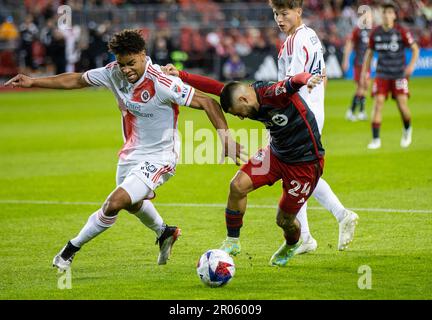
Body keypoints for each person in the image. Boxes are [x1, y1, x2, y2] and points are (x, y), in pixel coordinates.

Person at [4, 29, 244, 271]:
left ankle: (69, 251)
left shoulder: (162, 82)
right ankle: (165, 232)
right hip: (130, 153)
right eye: (121, 64)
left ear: (143, 54)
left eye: (131, 63)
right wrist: (33, 81)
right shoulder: (113, 73)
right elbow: (77, 79)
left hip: (161, 156)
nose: (126, 69)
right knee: (131, 203)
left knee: (114, 203)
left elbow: (208, 102)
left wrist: (226, 138)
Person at [163, 65, 325, 266]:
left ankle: (291, 244)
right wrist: (181, 75)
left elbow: (293, 81)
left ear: (243, 100)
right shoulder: (244, 96)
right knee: (237, 186)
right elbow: (216, 87)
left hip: (305, 163)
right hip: (275, 154)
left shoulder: (272, 94)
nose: (240, 117)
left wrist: (308, 78)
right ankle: (232, 242)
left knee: (284, 220)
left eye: (237, 113)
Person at [269, 0, 359, 254]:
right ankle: (308, 235)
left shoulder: (298, 40)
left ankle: (337, 217)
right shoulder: (308, 36)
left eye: (284, 13)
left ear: (298, 11)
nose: (279, 18)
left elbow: (292, 83)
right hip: (310, 113)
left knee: (296, 173)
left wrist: (279, 119)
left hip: (300, 116)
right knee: (297, 173)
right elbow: (320, 76)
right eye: (276, 13)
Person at [361, 1, 419, 150]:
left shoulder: (401, 31)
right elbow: (369, 53)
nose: (386, 16)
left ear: (394, 15)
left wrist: (411, 66)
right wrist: (365, 74)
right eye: (384, 13)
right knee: (378, 103)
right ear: (381, 15)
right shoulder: (375, 32)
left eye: (389, 13)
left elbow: (415, 49)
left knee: (402, 106)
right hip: (382, 74)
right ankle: (375, 140)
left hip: (399, 75)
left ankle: (407, 130)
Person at [342, 13, 373, 121]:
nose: (369, 19)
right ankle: (351, 112)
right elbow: (349, 44)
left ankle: (361, 112)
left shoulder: (371, 31)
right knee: (360, 87)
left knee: (365, 86)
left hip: (367, 64)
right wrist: (345, 60)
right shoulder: (358, 31)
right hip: (359, 63)